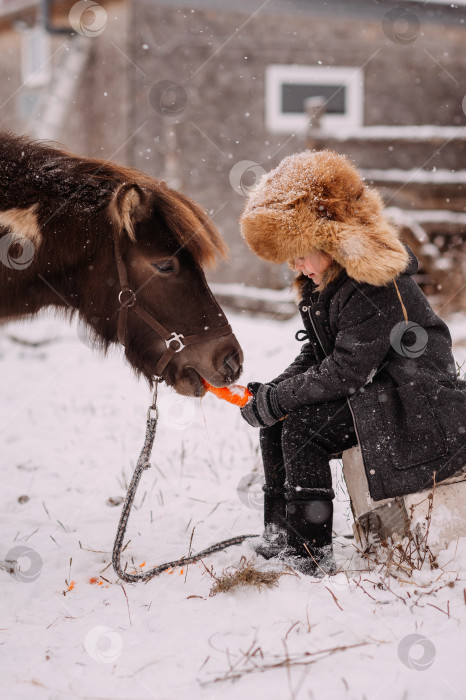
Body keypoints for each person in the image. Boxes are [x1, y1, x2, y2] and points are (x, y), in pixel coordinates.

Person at [239, 149, 466, 577]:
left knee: (305, 430)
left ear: (332, 241)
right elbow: (317, 355)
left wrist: (283, 398)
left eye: (303, 252)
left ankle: (309, 552)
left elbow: (346, 370)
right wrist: (272, 394)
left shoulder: (371, 286)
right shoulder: (328, 286)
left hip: (411, 395)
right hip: (373, 389)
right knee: (278, 420)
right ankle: (280, 533)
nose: (298, 266)